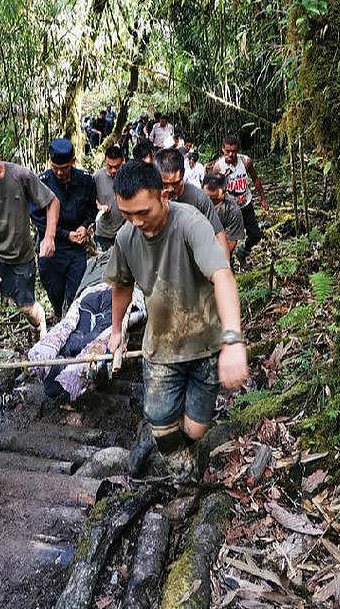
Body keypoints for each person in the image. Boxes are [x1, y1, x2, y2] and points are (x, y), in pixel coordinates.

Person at [105, 162, 248, 477]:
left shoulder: (190, 223)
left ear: (163, 196)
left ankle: (175, 447)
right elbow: (122, 286)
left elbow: (222, 275)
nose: (136, 221)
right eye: (127, 214)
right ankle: (179, 469)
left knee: (196, 429)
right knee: (160, 419)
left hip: (206, 343)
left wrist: (233, 339)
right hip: (161, 347)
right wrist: (116, 331)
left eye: (143, 212)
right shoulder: (126, 237)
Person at [0, 134, 57, 338]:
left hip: (21, 257)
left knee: (26, 307)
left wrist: (48, 237)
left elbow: (51, 202)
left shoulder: (19, 175)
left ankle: (40, 324)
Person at [31, 138, 97, 319]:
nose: (59, 172)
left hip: (76, 248)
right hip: (52, 247)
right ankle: (58, 314)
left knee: (76, 291)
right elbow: (37, 217)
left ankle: (71, 320)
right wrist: (65, 235)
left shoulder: (86, 181)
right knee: (55, 290)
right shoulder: (41, 182)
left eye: (64, 168)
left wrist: (85, 226)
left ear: (73, 162)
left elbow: (92, 208)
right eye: (55, 167)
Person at [154, 149, 229, 258]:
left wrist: (225, 268)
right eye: (165, 184)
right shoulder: (150, 197)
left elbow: (218, 234)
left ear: (183, 174)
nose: (170, 189)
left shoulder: (199, 198)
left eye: (175, 183)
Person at [212, 135, 268, 263]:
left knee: (255, 235)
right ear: (222, 149)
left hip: (245, 204)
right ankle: (228, 263)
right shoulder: (218, 167)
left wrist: (263, 198)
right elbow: (214, 190)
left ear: (238, 150)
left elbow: (255, 179)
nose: (231, 154)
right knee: (230, 240)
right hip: (229, 208)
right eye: (227, 151)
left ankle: (244, 251)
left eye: (234, 151)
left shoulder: (245, 162)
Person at [203, 173, 246, 256]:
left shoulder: (232, 211)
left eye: (212, 197)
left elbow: (230, 244)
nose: (207, 199)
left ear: (223, 192)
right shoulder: (196, 199)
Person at [94, 145, 126, 251]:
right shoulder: (97, 177)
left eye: (117, 167)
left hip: (123, 232)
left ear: (123, 162)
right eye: (109, 166)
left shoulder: (128, 177)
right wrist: (99, 206)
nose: (113, 170)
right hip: (103, 232)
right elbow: (89, 198)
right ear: (105, 162)